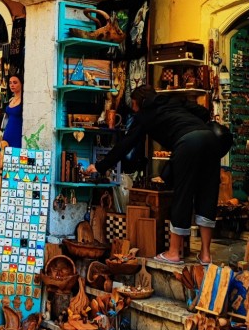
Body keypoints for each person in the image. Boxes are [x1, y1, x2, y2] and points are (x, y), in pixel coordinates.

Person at [87, 85, 224, 266]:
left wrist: (100, 166)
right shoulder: (172, 101)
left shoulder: (145, 115)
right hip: (211, 141)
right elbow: (203, 112)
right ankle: (205, 255)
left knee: (182, 195)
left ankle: (174, 253)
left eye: (133, 104)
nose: (133, 109)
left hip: (188, 143)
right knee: (207, 194)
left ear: (140, 102)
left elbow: (126, 144)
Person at [0, 73, 23, 156]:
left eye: (15, 83)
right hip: (7, 134)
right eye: (10, 83)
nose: (12, 85)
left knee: (16, 157)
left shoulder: (24, 100)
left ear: (21, 84)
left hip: (17, 134)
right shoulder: (11, 100)